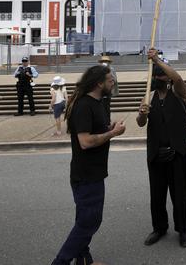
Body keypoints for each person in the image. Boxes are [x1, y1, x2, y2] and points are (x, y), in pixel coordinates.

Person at [51, 65, 126, 265]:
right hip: (86, 175)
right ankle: (60, 262)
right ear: (99, 83)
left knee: (84, 220)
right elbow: (85, 142)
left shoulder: (97, 103)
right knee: (90, 221)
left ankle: (84, 259)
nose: (113, 82)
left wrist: (108, 128)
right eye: (110, 79)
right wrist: (112, 133)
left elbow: (94, 130)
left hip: (93, 172)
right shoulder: (84, 105)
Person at [137, 48, 186, 248]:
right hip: (156, 154)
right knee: (157, 195)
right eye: (155, 74)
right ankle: (159, 227)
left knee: (180, 195)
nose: (156, 77)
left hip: (177, 152)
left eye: (159, 74)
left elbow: (177, 78)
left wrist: (156, 60)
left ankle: (184, 229)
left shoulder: (178, 92)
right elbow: (141, 123)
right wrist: (142, 114)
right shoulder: (148, 96)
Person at [98, 55, 118, 124]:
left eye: (106, 61)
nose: (104, 63)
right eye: (103, 61)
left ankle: (107, 121)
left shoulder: (111, 69)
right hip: (100, 92)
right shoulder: (98, 69)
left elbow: (114, 80)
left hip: (107, 92)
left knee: (106, 107)